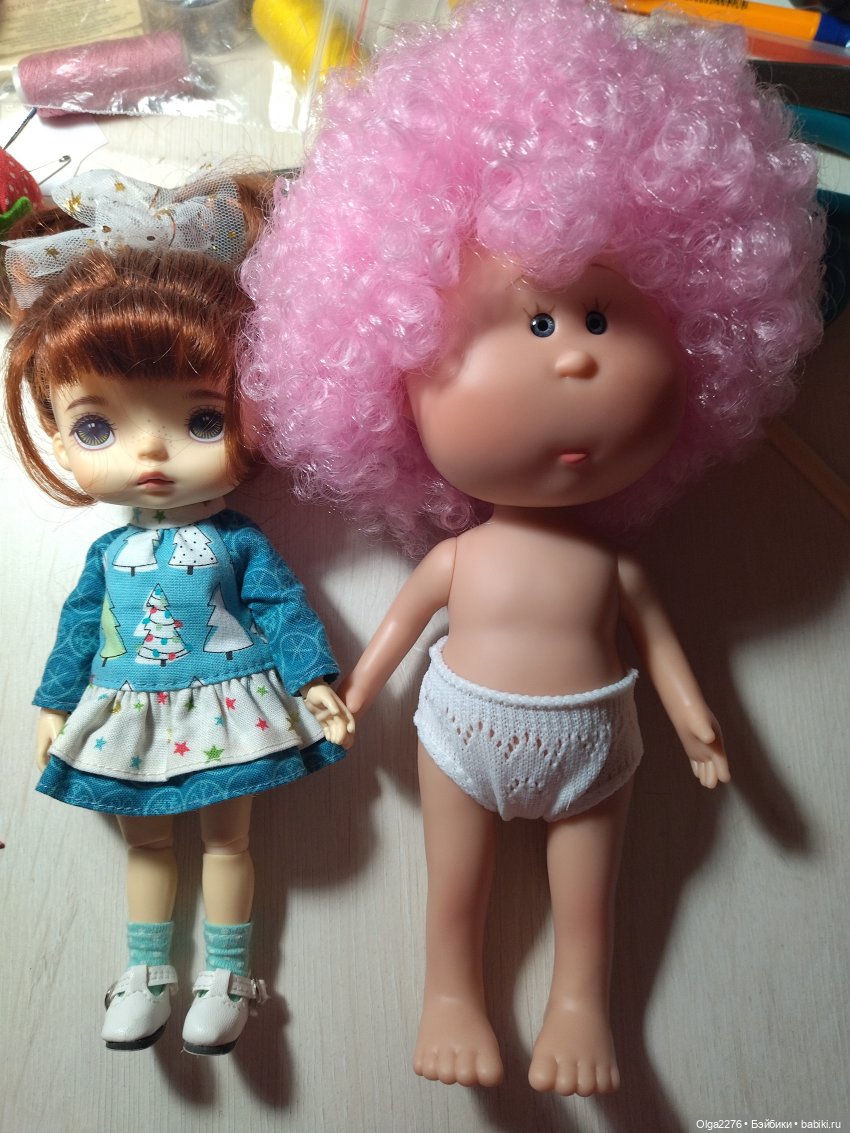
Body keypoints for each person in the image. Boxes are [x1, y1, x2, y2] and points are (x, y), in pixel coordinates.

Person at [239, 0, 824, 1094]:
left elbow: (665, 654)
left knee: (588, 895)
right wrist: (351, 692)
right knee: (453, 885)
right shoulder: (460, 558)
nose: (573, 360)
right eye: (537, 323)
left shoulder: (614, 567)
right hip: (459, 733)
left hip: (596, 739)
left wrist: (696, 723)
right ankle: (450, 992)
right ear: (387, 372)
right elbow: (397, 634)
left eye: (601, 318)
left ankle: (580, 1004)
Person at [2, 169, 354, 1056]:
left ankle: (227, 977)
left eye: (202, 420)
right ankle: (146, 972)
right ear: (53, 430)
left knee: (229, 843)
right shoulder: (107, 554)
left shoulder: (235, 539)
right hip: (128, 707)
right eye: (97, 427)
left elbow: (279, 603)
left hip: (232, 702)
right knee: (148, 845)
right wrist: (53, 703)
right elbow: (80, 628)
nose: (152, 451)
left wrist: (314, 679)